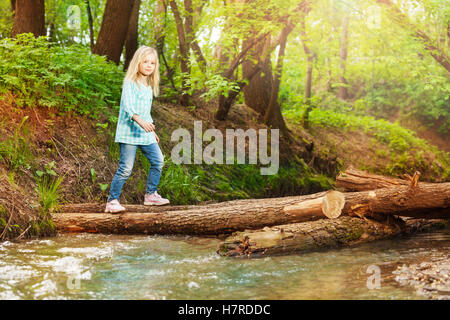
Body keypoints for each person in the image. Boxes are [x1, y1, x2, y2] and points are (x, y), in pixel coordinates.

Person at [105, 46, 170, 213]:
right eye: (145, 62)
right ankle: (112, 201)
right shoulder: (130, 82)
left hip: (145, 132)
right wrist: (140, 122)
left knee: (159, 160)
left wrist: (152, 130)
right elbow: (128, 106)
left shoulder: (148, 86)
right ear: (137, 63)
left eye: (152, 63)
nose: (149, 65)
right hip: (129, 132)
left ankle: (150, 195)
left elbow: (145, 112)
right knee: (126, 168)